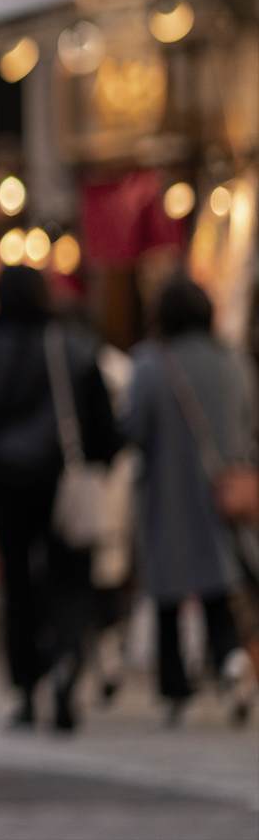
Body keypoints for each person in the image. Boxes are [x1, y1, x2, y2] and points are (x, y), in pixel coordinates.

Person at [0, 264, 119, 731]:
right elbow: (102, 419)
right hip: (62, 479)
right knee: (68, 579)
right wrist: (99, 460)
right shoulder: (71, 344)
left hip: (4, 483)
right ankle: (64, 659)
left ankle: (25, 688)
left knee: (17, 584)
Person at [122, 276, 257, 726]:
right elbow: (248, 421)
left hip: (167, 494)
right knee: (219, 586)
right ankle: (232, 663)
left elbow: (133, 429)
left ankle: (175, 690)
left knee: (167, 596)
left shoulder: (149, 364)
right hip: (222, 492)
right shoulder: (233, 361)